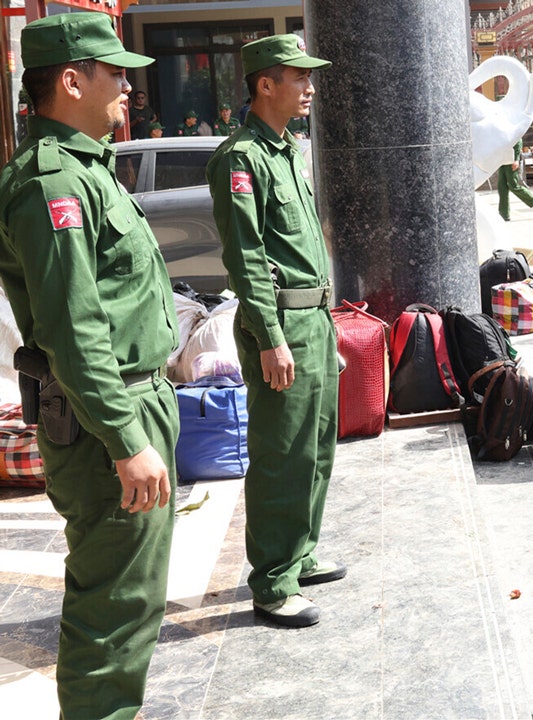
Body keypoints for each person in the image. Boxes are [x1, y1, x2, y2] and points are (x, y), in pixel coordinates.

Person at [0, 14, 178, 717]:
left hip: (127, 405)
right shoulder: (52, 186)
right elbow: (74, 331)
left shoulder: (84, 172)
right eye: (114, 72)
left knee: (130, 599)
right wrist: (127, 439)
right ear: (71, 80)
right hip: (107, 418)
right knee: (114, 609)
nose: (127, 86)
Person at [206, 34, 343, 628]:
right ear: (265, 83)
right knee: (281, 454)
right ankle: (272, 582)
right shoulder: (241, 159)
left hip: (313, 317)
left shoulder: (289, 151)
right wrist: (271, 338)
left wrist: (327, 324)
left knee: (316, 447)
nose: (310, 87)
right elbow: (247, 258)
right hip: (281, 322)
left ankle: (299, 554)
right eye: (299, 77)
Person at [497, 139, 533, 222]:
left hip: (511, 162)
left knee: (513, 186)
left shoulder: (512, 127)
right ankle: (503, 214)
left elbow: (518, 139)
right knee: (502, 187)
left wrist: (516, 159)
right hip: (502, 161)